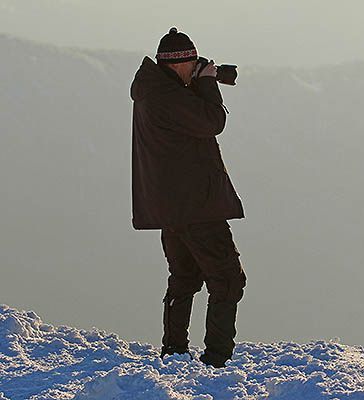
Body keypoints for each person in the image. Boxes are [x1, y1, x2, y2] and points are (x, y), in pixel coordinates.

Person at [129, 27, 247, 368]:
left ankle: (175, 351)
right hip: (197, 205)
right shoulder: (167, 97)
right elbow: (213, 120)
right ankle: (216, 360)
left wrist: (199, 82)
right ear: (179, 64)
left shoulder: (155, 90)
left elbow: (190, 118)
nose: (196, 66)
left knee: (185, 277)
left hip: (172, 206)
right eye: (193, 62)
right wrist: (208, 83)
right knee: (227, 280)